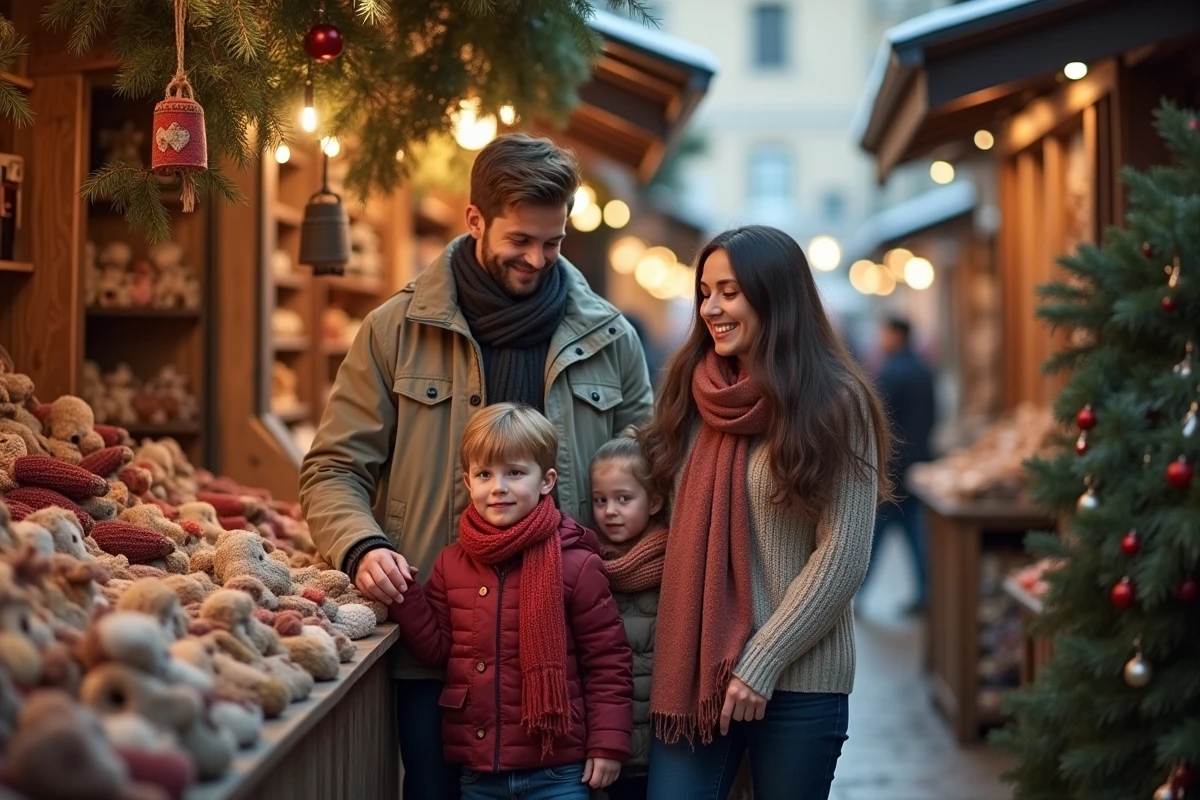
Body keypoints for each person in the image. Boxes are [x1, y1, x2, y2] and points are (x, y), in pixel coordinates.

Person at [298, 133, 653, 799]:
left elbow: (648, 474)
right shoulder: (394, 329)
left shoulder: (610, 338)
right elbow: (334, 465)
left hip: (565, 657)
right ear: (474, 221)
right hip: (440, 652)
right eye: (520, 240)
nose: (537, 258)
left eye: (553, 242)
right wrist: (362, 546)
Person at [638, 225, 892, 800]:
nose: (712, 308)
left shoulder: (835, 400)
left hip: (800, 680)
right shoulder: (688, 391)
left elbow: (843, 553)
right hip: (697, 674)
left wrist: (762, 661)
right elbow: (673, 526)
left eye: (729, 291)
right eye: (705, 292)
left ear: (775, 295)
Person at [389, 403, 633, 799]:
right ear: (468, 483)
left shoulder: (577, 563)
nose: (498, 486)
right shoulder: (452, 563)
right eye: (485, 474)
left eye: (515, 472)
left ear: (546, 481)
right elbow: (437, 649)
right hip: (480, 772)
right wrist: (399, 591)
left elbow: (607, 662)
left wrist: (607, 745)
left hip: (559, 772)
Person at [589, 434, 668, 800]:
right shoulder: (589, 565)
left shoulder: (672, 563)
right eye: (600, 500)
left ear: (654, 501)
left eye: (623, 499)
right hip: (608, 746)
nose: (610, 511)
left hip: (664, 745)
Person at [861, 316, 936, 614]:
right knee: (916, 536)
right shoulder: (924, 371)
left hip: (893, 469)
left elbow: (880, 425)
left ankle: (856, 593)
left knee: (874, 537)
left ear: (896, 335)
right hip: (918, 465)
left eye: (884, 333)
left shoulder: (891, 373)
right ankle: (924, 594)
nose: (881, 339)